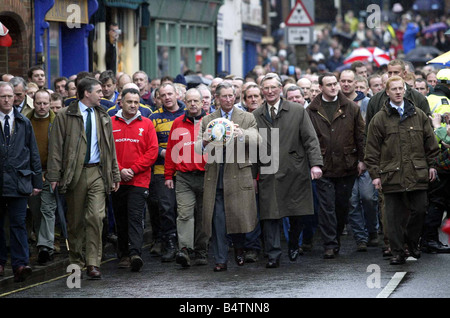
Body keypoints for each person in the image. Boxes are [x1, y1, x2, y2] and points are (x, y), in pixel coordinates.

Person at [47, 77, 121, 280]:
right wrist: (54, 175)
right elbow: (55, 147)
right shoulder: (65, 115)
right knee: (76, 221)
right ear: (86, 93)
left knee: (96, 217)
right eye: (98, 91)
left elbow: (110, 148)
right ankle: (76, 260)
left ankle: (93, 263)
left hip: (97, 172)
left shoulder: (103, 115)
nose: (102, 94)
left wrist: (114, 173)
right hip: (75, 174)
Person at [364, 76, 440, 265]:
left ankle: (412, 244)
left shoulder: (419, 115)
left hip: (417, 172)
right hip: (392, 174)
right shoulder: (380, 119)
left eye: (401, 88)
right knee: (393, 217)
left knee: (420, 210)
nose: (398, 92)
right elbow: (371, 149)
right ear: (387, 92)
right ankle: (398, 252)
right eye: (394, 89)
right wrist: (375, 175)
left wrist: (432, 165)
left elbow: (431, 144)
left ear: (405, 90)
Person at [253, 73, 323, 268]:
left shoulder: (297, 111)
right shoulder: (256, 115)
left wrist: (315, 164)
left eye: (273, 87)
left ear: (281, 88)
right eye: (265, 88)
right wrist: (252, 176)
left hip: (295, 169)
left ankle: (294, 241)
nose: (269, 91)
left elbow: (310, 139)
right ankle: (273, 254)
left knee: (298, 212)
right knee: (270, 215)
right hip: (269, 171)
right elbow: (251, 148)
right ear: (262, 91)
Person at [195, 81, 259, 272]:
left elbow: (258, 139)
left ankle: (239, 249)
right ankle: (221, 259)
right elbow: (197, 148)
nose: (229, 99)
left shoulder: (247, 117)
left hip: (239, 174)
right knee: (218, 221)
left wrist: (241, 133)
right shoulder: (209, 120)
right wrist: (205, 140)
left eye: (232, 95)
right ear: (217, 98)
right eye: (224, 96)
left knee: (239, 218)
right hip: (216, 175)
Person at [306, 72, 366, 259]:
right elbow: (308, 139)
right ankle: (330, 244)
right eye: (329, 84)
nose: (333, 87)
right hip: (323, 166)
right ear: (321, 87)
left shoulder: (351, 108)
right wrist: (312, 162)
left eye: (335, 83)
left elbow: (360, 135)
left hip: (347, 165)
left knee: (342, 206)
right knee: (327, 207)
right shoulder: (311, 110)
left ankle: (337, 236)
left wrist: (362, 160)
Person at [111, 88, 158, 272]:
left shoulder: (146, 124)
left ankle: (135, 253)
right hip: (117, 180)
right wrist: (121, 170)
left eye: (136, 102)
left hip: (139, 180)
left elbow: (152, 151)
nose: (132, 105)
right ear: (120, 102)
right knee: (120, 218)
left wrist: (133, 169)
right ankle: (123, 254)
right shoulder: (111, 122)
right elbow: (107, 151)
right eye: (129, 102)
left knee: (135, 217)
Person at [0, 81, 42, 282]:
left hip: (19, 181)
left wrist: (36, 182)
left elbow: (33, 152)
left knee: (18, 223)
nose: (7, 100)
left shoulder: (24, 122)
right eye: (3, 96)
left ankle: (20, 264)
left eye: (10, 96)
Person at [164, 88, 208, 268]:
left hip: (207, 176)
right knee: (184, 214)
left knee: (204, 216)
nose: (192, 104)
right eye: (189, 101)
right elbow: (171, 150)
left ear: (202, 102)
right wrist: (168, 175)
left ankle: (201, 250)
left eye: (196, 101)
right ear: (184, 102)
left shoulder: (210, 122)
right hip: (184, 177)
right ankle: (185, 250)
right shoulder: (177, 123)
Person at [150, 82, 186, 262]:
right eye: (163, 95)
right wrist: (161, 152)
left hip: (186, 170)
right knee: (166, 208)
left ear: (177, 94)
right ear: (159, 98)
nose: (167, 98)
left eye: (170, 94)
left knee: (185, 209)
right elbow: (148, 145)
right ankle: (170, 243)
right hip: (161, 170)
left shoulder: (188, 114)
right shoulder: (153, 118)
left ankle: (186, 245)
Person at [25, 89, 57, 265]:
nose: (42, 106)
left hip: (49, 173)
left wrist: (56, 173)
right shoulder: (25, 121)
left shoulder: (56, 122)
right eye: (39, 103)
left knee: (48, 209)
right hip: (30, 174)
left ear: (50, 103)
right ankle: (42, 242)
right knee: (36, 211)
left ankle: (45, 246)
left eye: (45, 103)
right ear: (33, 103)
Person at [421, 68, 450, 253]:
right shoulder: (444, 102)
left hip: (430, 156)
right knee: (438, 202)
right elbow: (446, 136)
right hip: (443, 158)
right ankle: (429, 240)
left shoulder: (426, 99)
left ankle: (428, 239)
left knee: (435, 201)